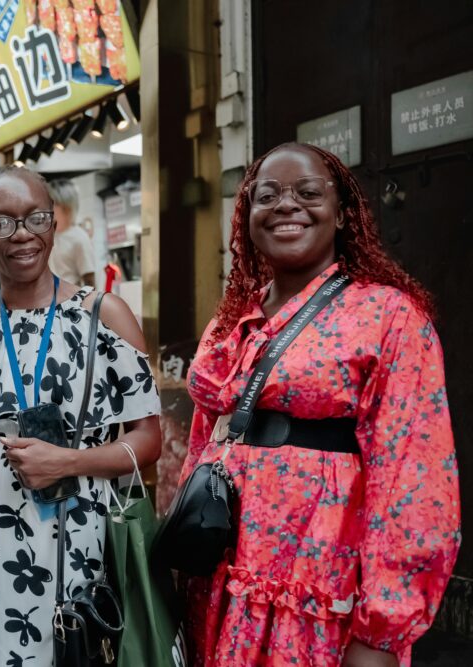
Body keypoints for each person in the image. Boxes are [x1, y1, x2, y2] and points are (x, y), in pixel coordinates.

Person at [179, 142, 460, 666]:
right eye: (268, 195)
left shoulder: (388, 316)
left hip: (316, 589)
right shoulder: (232, 319)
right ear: (247, 215)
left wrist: (380, 634)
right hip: (218, 585)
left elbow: (414, 481)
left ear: (342, 212)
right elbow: (204, 441)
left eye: (308, 193)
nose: (287, 205)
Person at [0, 165, 161, 665]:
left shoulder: (105, 314)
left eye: (35, 218)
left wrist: (69, 463)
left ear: (54, 224)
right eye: (2, 223)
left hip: (80, 536)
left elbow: (147, 440)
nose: (22, 235)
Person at [46, 179, 96, 287]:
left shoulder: (79, 238)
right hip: (48, 298)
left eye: (52, 204)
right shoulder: (47, 234)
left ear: (66, 208)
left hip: (70, 298)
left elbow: (89, 279)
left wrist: (89, 303)